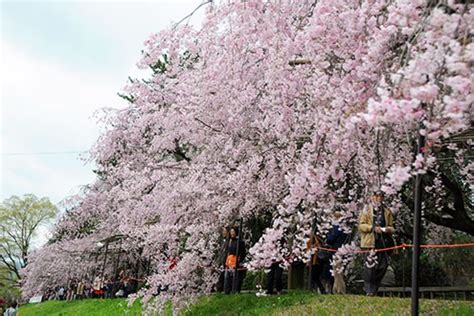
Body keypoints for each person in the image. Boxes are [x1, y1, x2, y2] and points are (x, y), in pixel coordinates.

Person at [359, 191, 395, 296]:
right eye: (376, 196)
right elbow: (361, 226)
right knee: (370, 267)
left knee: (383, 266)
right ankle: (369, 290)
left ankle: (374, 288)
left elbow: (392, 226)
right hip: (370, 242)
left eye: (381, 196)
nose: (378, 198)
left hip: (384, 242)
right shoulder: (366, 210)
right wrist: (372, 228)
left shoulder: (387, 211)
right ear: (372, 197)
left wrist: (389, 229)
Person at [320, 212, 349, 293]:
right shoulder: (345, 227)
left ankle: (340, 290)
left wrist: (327, 239)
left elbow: (331, 239)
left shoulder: (337, 227)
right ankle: (336, 289)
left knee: (337, 271)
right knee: (338, 271)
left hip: (336, 250)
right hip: (343, 250)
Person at [223, 227, 246, 294]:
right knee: (227, 278)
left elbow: (243, 253)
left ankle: (236, 291)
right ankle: (226, 291)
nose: (232, 233)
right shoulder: (229, 241)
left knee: (236, 277)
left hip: (236, 261)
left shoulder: (240, 242)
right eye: (231, 232)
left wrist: (239, 261)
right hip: (229, 261)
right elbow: (227, 252)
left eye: (233, 232)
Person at [215, 226, 230, 292]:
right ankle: (219, 289)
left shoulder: (229, 241)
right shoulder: (221, 241)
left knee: (224, 275)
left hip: (226, 260)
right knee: (219, 275)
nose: (223, 232)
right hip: (220, 260)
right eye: (223, 231)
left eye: (225, 231)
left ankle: (223, 289)